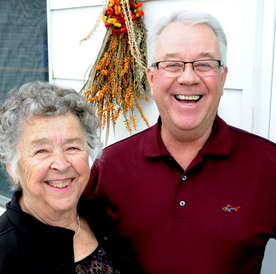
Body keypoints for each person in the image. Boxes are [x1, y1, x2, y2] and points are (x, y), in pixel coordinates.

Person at [85, 10, 276, 274]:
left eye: (204, 64)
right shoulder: (110, 167)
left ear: (222, 78)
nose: (188, 78)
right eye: (172, 64)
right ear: (151, 79)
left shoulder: (268, 165)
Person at [0, 81, 142, 274]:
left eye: (72, 147)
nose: (61, 164)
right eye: (41, 150)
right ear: (13, 168)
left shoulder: (101, 218)